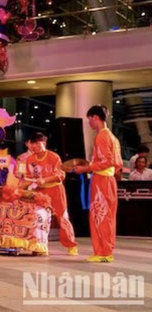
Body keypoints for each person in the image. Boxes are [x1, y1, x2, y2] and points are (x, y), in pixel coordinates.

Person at [74, 105, 122, 263]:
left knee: (100, 216)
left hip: (102, 181)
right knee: (106, 216)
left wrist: (86, 168)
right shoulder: (112, 137)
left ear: (95, 117)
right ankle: (105, 251)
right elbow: (116, 164)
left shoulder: (101, 136)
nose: (89, 123)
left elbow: (106, 161)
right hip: (108, 180)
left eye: (89, 119)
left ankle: (104, 252)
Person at [19, 132, 79, 255]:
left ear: (44, 143)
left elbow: (60, 175)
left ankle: (71, 244)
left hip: (55, 190)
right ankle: (39, 246)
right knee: (38, 217)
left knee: (62, 218)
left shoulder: (53, 157)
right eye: (32, 143)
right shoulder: (29, 159)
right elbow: (28, 177)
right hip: (40, 191)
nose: (34, 146)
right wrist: (19, 188)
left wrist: (45, 180)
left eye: (37, 143)